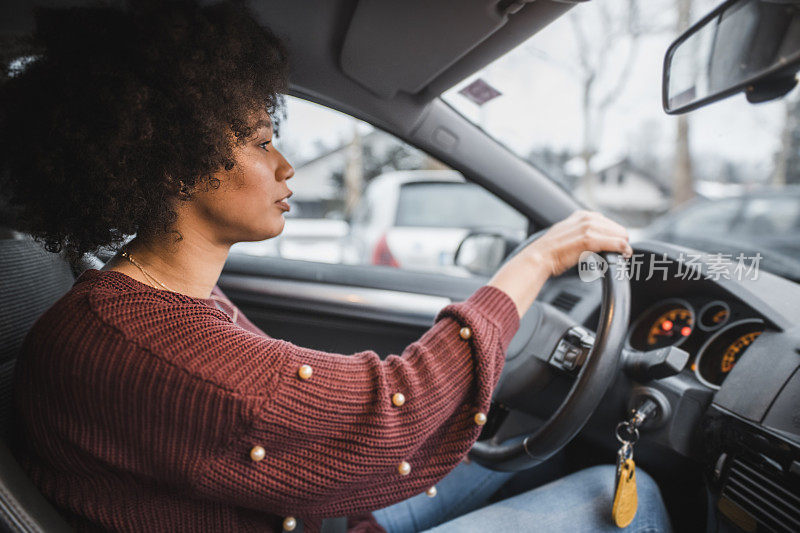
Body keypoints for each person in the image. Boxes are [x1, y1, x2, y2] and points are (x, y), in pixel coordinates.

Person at [0, 1, 671, 532]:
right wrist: (539, 257)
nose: (287, 166)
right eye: (262, 142)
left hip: (305, 512)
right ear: (175, 162)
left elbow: (309, 414)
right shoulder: (149, 347)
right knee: (627, 499)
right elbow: (396, 414)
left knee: (532, 451)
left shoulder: (141, 302)